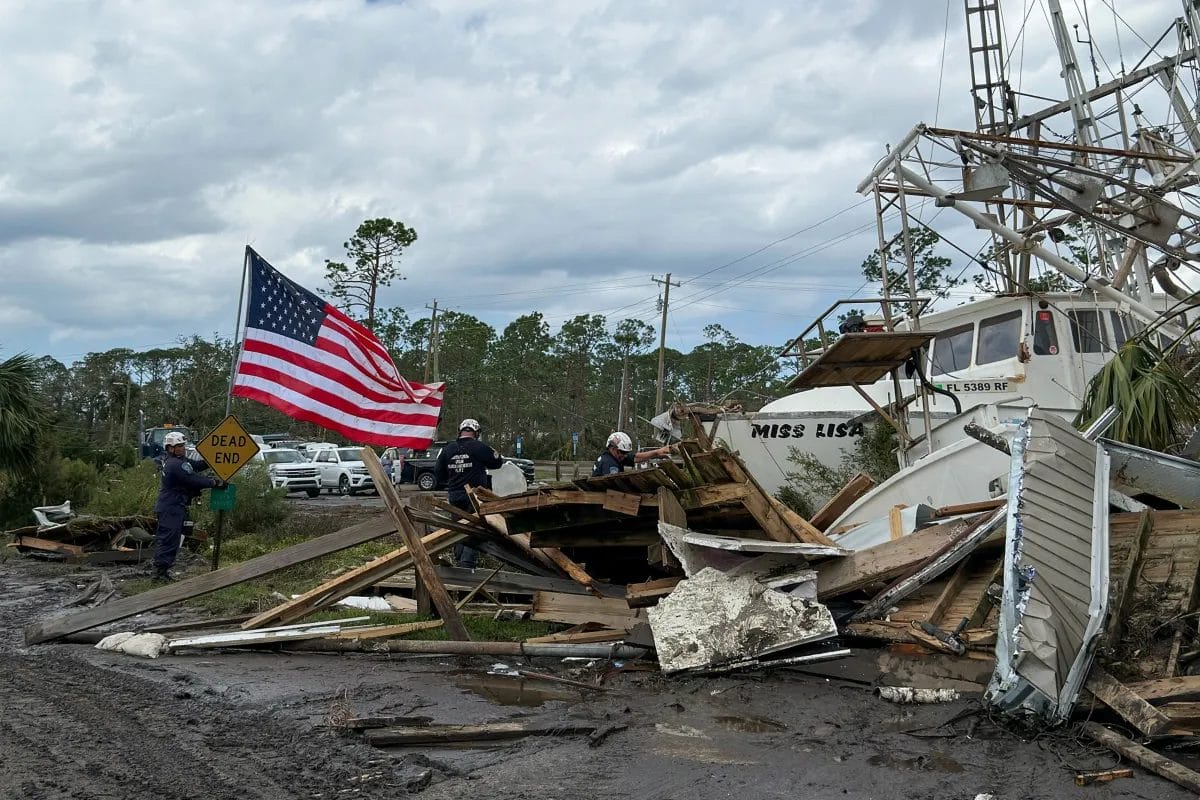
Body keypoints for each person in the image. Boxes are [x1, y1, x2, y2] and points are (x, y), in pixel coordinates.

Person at [152, 431, 223, 581]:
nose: (182, 448)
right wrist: (214, 482)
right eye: (178, 446)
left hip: (175, 505)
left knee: (175, 538)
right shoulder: (174, 464)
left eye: (183, 445)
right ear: (170, 448)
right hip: (171, 507)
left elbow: (195, 466)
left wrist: (213, 458)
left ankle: (162, 571)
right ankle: (159, 573)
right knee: (168, 539)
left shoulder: (180, 461)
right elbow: (193, 480)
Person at [435, 418, 503, 569]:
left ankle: (459, 561)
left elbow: (438, 473)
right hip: (474, 496)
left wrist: (452, 479)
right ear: (476, 433)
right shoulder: (479, 447)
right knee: (475, 528)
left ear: (460, 431)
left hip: (454, 495)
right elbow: (497, 462)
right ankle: (466, 565)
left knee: (458, 528)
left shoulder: (448, 449)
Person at [593, 431, 674, 476]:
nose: (624, 455)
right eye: (622, 452)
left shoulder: (614, 457)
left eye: (626, 452)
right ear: (612, 448)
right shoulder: (609, 463)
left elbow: (637, 457)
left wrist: (657, 452)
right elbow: (614, 487)